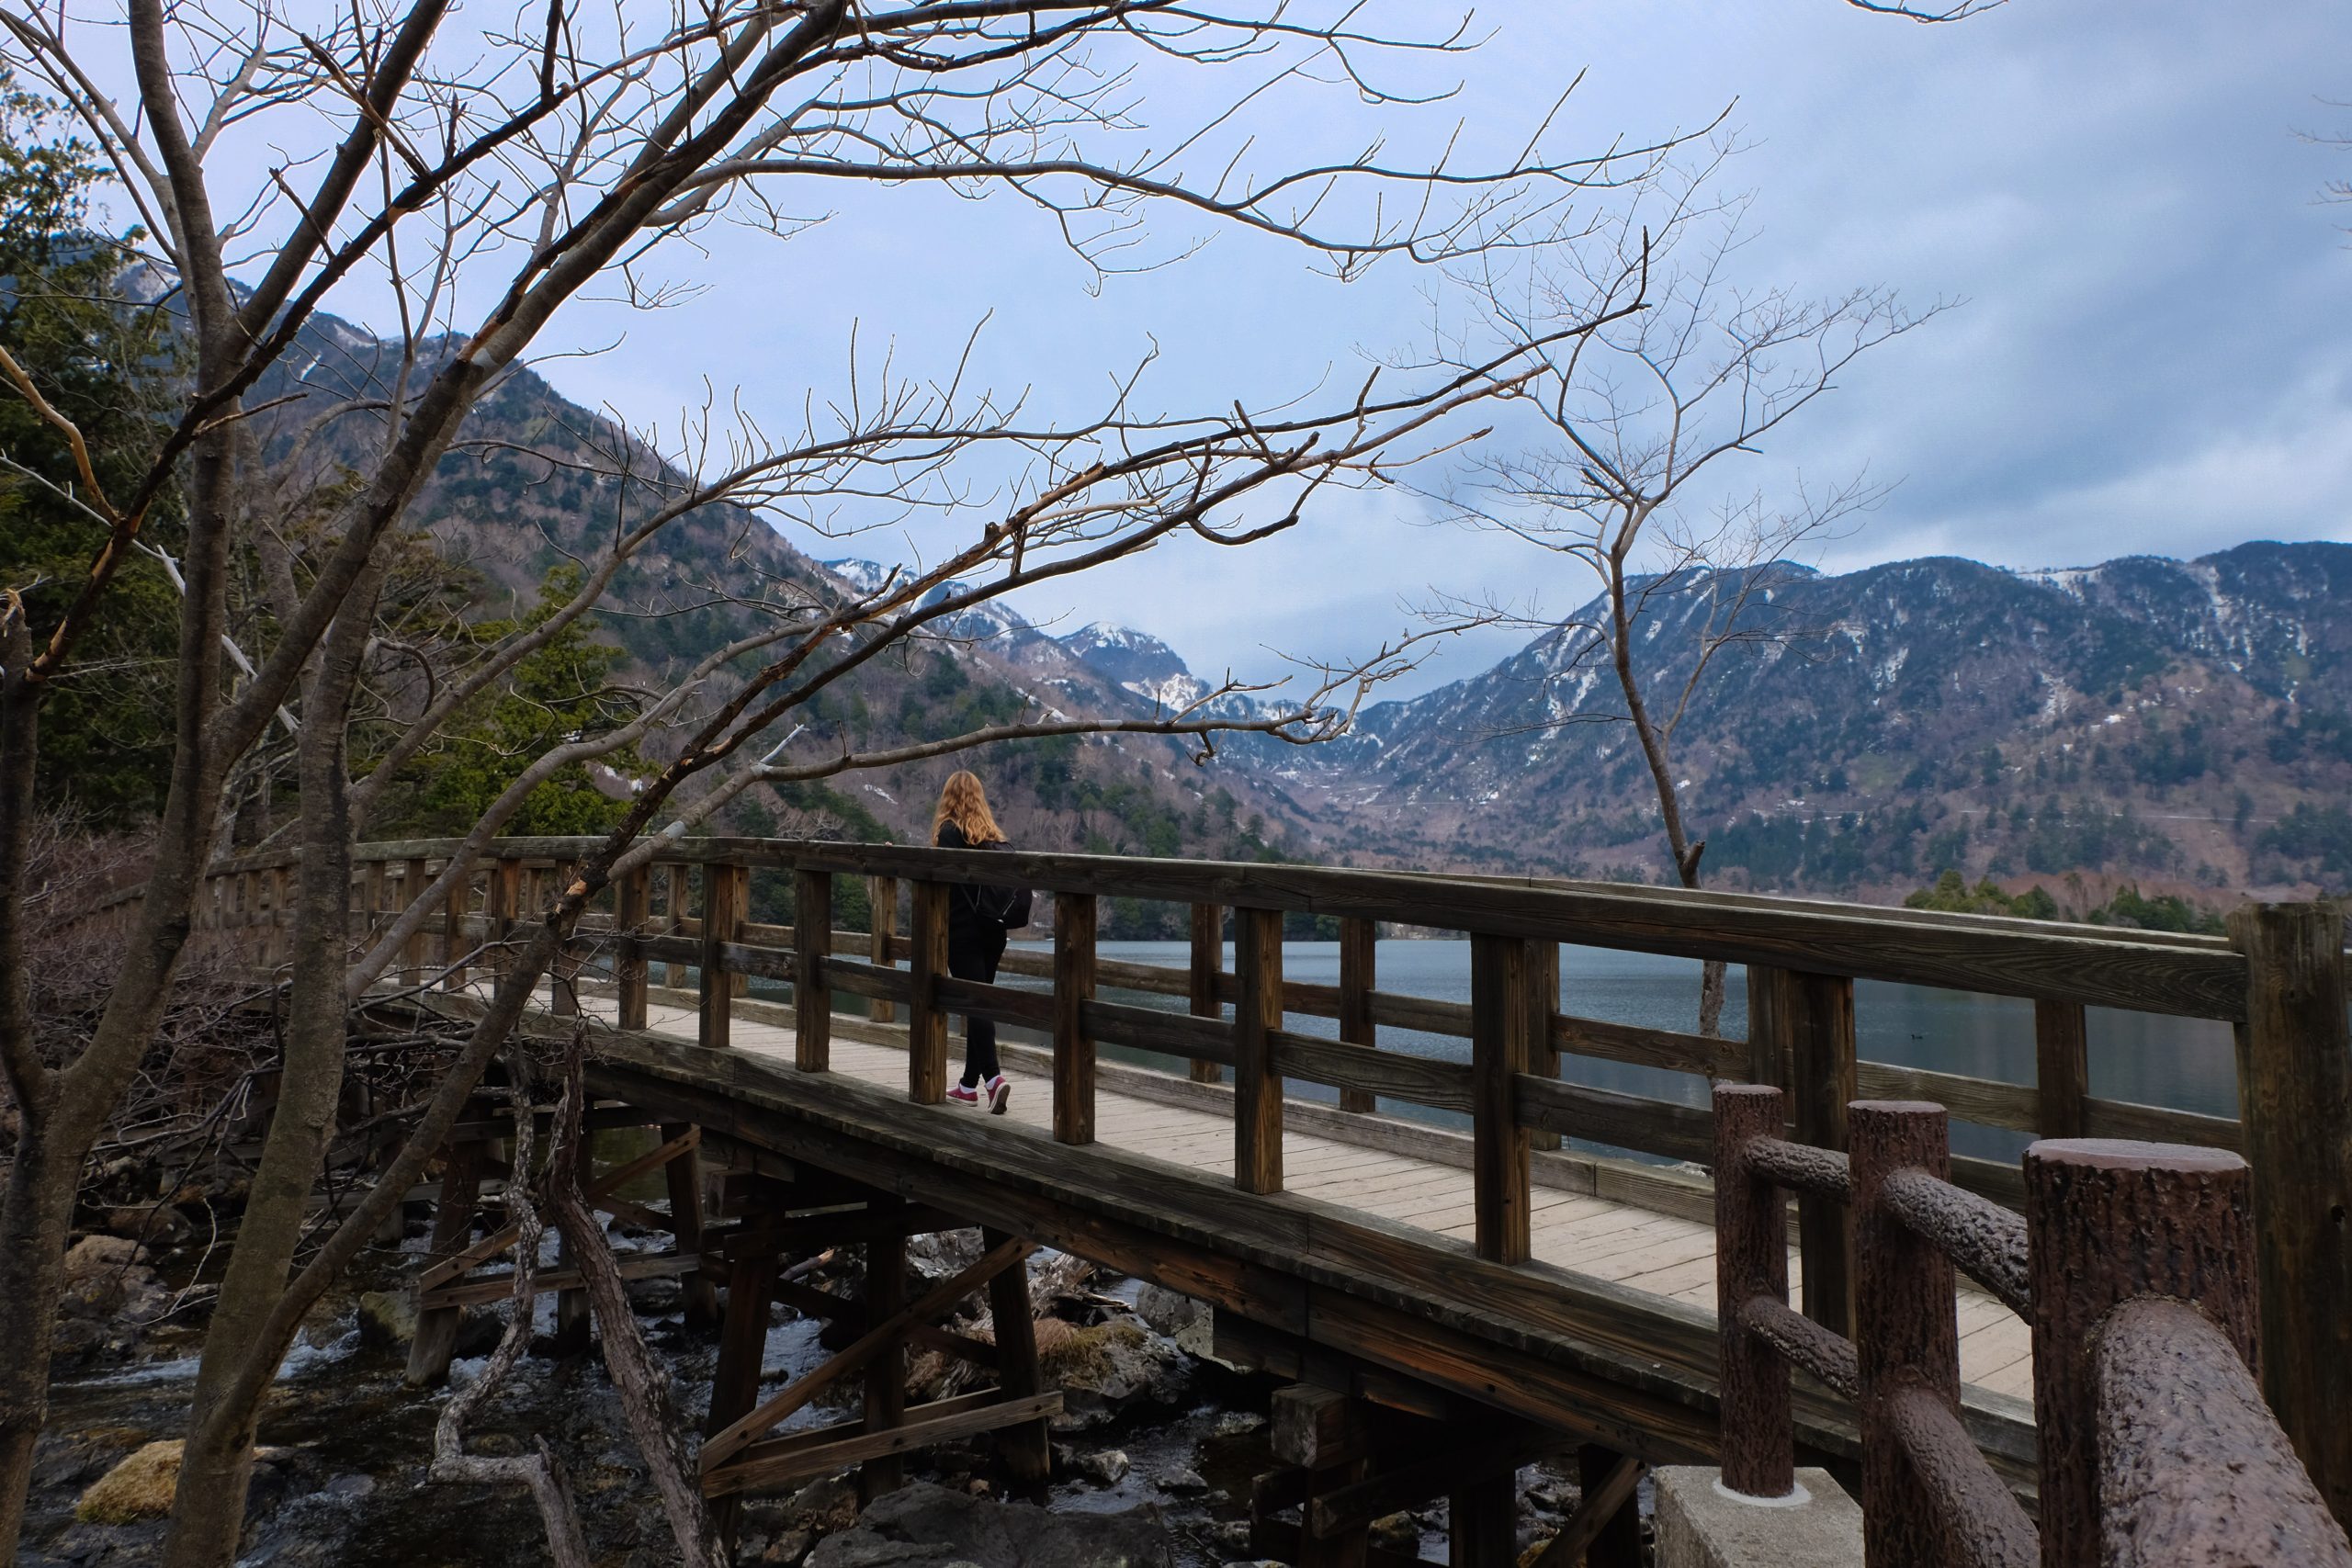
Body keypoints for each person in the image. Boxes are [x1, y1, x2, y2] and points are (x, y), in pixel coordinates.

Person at [933, 770, 1028, 1112]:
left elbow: (939, 879)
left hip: (963, 932)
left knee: (976, 1004)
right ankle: (967, 1086)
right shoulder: (991, 836)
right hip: (994, 932)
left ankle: (993, 1079)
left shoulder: (948, 832)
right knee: (981, 1002)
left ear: (948, 798)